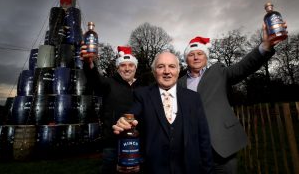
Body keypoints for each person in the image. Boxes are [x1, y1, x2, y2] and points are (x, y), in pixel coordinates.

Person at [177, 23, 288, 174]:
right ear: (186, 59)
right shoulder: (179, 83)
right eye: (191, 54)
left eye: (199, 53)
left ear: (206, 56)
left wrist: (265, 46)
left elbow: (244, 66)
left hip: (223, 145)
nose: (196, 57)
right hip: (194, 149)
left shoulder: (218, 72)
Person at [113, 51, 213, 174]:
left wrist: (207, 170)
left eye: (172, 66)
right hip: (153, 169)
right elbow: (131, 116)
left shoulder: (193, 98)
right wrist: (123, 122)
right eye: (161, 67)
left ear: (178, 70)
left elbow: (204, 138)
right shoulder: (142, 95)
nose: (167, 71)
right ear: (154, 71)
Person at [81, 45, 142, 174]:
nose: (127, 69)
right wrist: (89, 64)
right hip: (112, 144)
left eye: (130, 65)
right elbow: (94, 80)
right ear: (117, 68)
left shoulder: (143, 87)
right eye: (123, 65)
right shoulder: (109, 83)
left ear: (135, 67)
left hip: (137, 142)